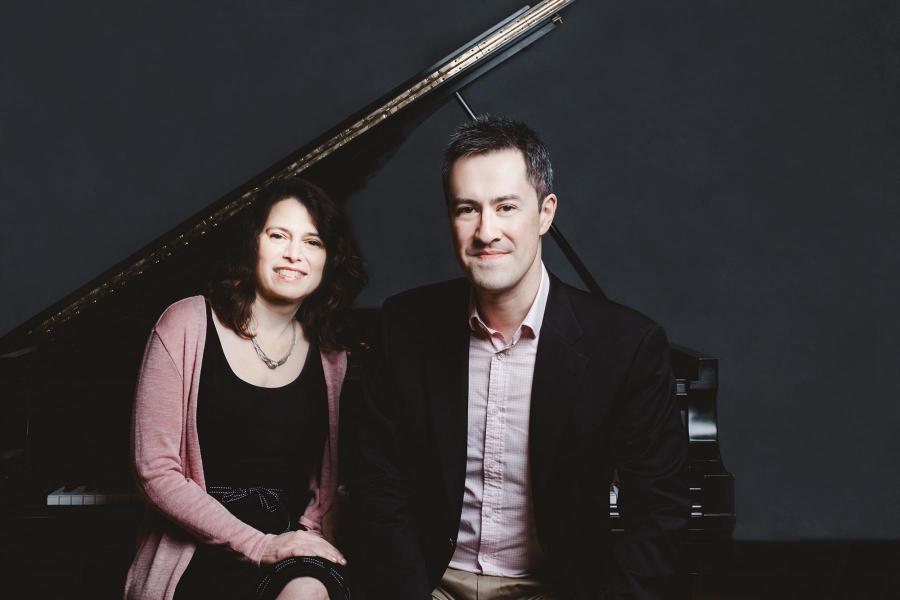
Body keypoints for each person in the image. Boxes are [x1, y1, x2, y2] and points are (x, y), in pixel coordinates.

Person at [350, 116, 690, 599]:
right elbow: (378, 487)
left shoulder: (627, 344)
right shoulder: (403, 326)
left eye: (507, 207)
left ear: (546, 212)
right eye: (467, 209)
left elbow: (658, 513)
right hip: (429, 585)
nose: (487, 231)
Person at [125, 178, 365, 600]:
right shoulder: (184, 325)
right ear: (253, 242)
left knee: (308, 593)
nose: (294, 254)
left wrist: (299, 537)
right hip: (197, 543)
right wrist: (258, 544)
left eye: (312, 242)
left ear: (328, 258)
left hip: (292, 543)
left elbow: (327, 485)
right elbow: (155, 472)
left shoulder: (332, 355)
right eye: (279, 236)